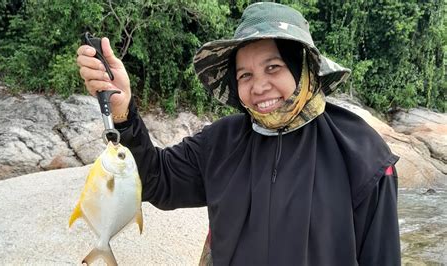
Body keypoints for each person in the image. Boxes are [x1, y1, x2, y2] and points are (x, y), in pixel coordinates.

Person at [76, 2, 401, 265]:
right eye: (245, 74)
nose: (259, 86)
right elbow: (157, 180)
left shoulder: (363, 156)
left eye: (274, 67)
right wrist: (123, 112)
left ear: (303, 68)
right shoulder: (220, 142)